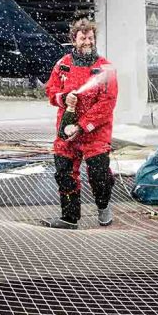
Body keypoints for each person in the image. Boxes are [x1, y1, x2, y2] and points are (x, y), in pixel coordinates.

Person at [40, 18, 118, 229]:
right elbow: (50, 91)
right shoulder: (62, 64)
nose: (87, 42)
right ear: (73, 40)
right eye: (83, 38)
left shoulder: (105, 68)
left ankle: (103, 206)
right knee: (64, 171)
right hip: (66, 130)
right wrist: (63, 99)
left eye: (91, 38)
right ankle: (70, 217)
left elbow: (107, 103)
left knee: (99, 174)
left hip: (95, 132)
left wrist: (82, 126)